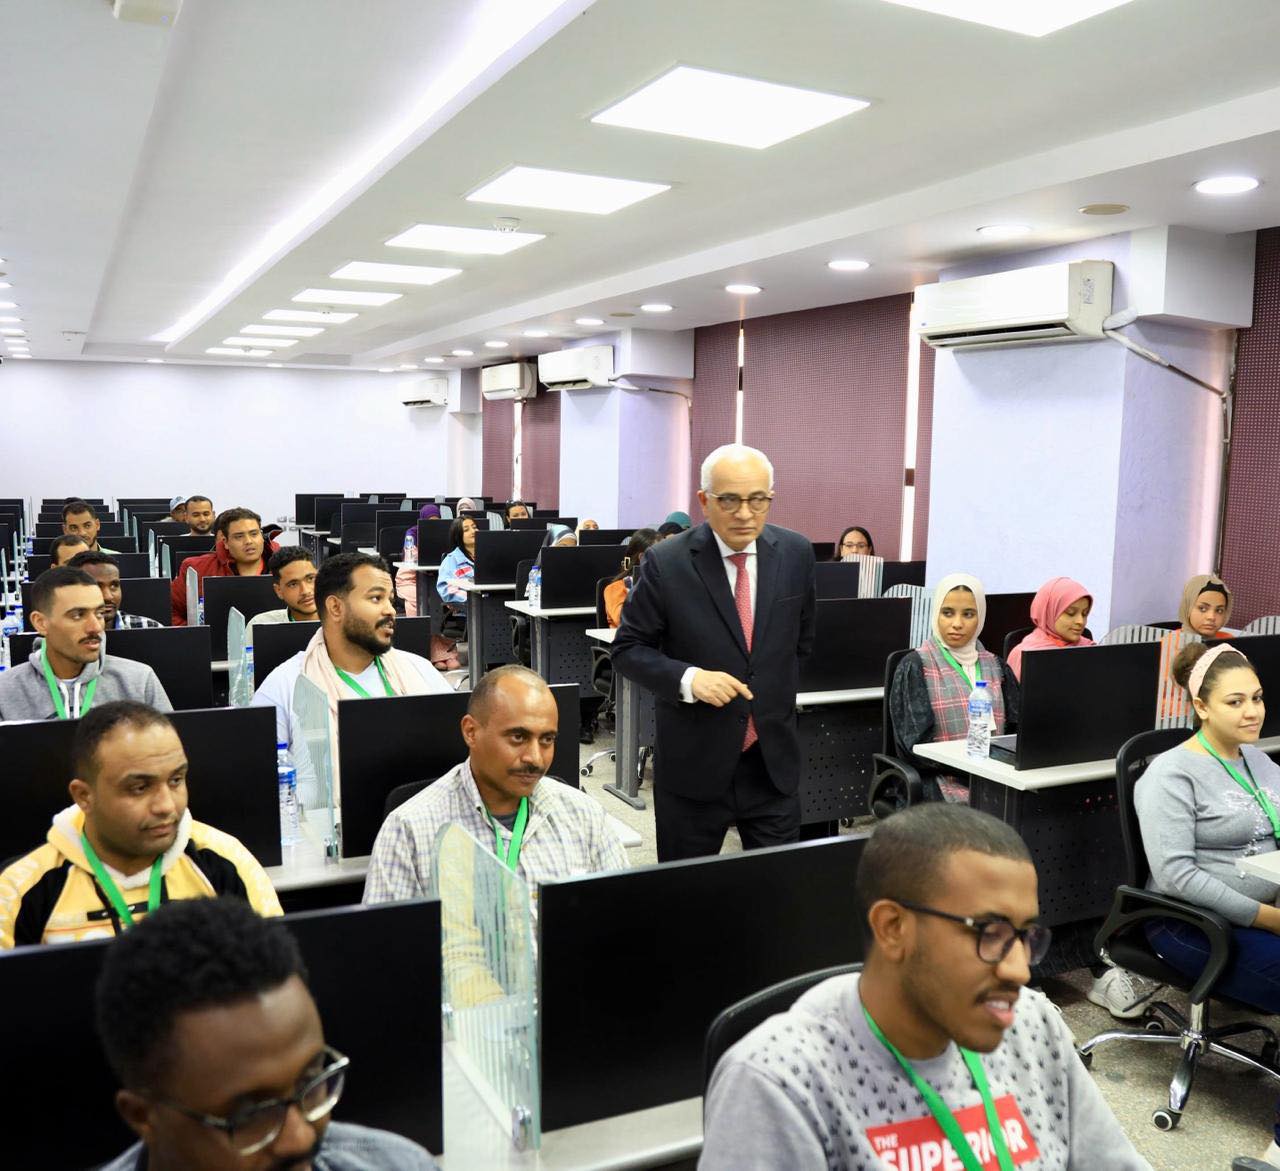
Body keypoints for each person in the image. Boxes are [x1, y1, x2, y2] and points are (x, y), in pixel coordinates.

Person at [701, 803, 1151, 1170]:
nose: (1019, 971)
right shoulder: (781, 1080)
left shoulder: (1032, 1024)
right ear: (893, 928)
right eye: (989, 933)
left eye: (1024, 936)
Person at [94, 897, 440, 1170]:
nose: (300, 1138)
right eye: (249, 1114)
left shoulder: (400, 1164)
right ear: (142, 1116)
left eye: (310, 1083)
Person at [613, 443, 816, 862]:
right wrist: (690, 679)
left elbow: (801, 642)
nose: (745, 513)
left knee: (778, 890)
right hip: (695, 764)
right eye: (729, 500)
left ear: (770, 498)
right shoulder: (667, 562)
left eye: (757, 500)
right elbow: (628, 649)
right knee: (688, 891)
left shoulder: (796, 553)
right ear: (705, 501)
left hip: (771, 764)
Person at [1138, 641, 1280, 1168]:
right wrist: (1271, 919)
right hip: (1191, 923)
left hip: (1262, 914)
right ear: (1201, 706)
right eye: (1235, 701)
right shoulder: (1170, 774)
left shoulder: (1261, 762)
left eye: (1257, 698)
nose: (1252, 711)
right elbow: (1176, 875)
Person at [0, 702, 280, 947]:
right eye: (139, 788)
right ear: (84, 796)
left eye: (176, 780)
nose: (166, 806)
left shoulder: (226, 860)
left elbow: (280, 978)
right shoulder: (19, 888)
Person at [364, 665, 627, 903]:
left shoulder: (584, 815)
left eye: (547, 740)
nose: (535, 758)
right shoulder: (409, 830)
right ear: (471, 732)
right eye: (518, 737)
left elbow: (624, 919)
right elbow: (388, 940)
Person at [252, 553, 451, 806]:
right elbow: (258, 781)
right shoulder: (286, 684)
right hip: (330, 826)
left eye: (390, 600)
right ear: (336, 607)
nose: (390, 610)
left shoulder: (418, 670)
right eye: (376, 598)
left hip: (424, 819)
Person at [889, 573, 1019, 801]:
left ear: (980, 617)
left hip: (996, 778)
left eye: (968, 614)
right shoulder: (915, 666)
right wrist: (969, 765)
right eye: (947, 613)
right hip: (938, 780)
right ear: (936, 614)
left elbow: (1016, 734)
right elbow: (913, 748)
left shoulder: (998, 667)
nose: (957, 624)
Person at [0, 568, 172, 720]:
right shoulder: (5, 691)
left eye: (99, 613)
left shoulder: (139, 681)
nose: (96, 627)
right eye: (77, 615)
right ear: (41, 623)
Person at [170, 507, 278, 625]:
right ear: (225, 542)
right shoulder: (197, 569)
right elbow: (169, 610)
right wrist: (197, 634)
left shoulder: (285, 565)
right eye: (239, 536)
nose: (248, 541)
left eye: (254, 534)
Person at [1005, 576, 1095, 681]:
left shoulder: (1090, 648)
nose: (1080, 621)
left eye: (1085, 614)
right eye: (1071, 613)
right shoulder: (1024, 656)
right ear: (1049, 612)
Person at [68, 550, 162, 629]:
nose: (108, 596)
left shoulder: (150, 628)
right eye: (97, 587)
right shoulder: (60, 638)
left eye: (114, 586)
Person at [245, 547, 319, 642]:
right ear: (279, 591)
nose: (305, 591)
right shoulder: (260, 626)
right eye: (293, 584)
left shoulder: (338, 622)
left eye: (310, 579)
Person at [603, 528, 660, 628]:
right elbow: (623, 620)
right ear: (642, 558)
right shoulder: (615, 588)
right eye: (661, 554)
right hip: (631, 637)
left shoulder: (668, 584)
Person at [395, 504, 441, 618]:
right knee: (418, 598)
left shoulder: (442, 534)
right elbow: (411, 557)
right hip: (409, 580)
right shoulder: (412, 535)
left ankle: (435, 628)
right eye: (429, 521)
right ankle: (418, 626)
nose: (433, 525)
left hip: (433, 580)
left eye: (437, 521)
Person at [522, 524, 577, 600]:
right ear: (551, 546)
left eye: (572, 547)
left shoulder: (578, 569)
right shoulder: (538, 573)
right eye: (562, 546)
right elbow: (536, 599)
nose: (568, 551)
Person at [437, 516, 476, 611]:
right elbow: (445, 589)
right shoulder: (451, 560)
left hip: (492, 601)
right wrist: (470, 598)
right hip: (469, 609)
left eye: (474, 527)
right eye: (466, 530)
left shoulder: (489, 555)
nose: (473, 531)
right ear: (458, 536)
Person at [1179, 572, 1234, 639]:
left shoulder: (1228, 641)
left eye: (1219, 610)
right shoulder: (1170, 642)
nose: (1211, 617)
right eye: (1202, 609)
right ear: (1187, 608)